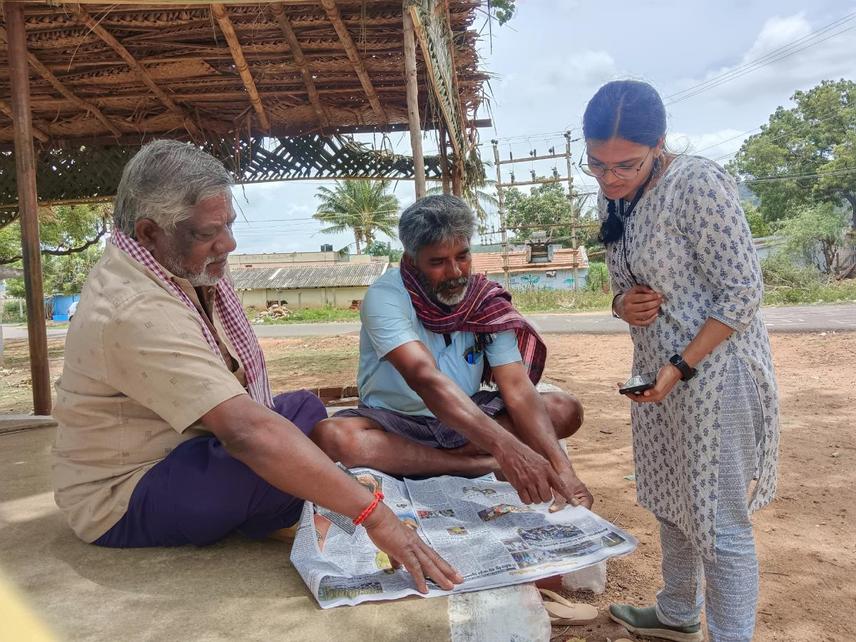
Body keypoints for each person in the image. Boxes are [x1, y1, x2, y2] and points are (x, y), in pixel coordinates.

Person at [51, 140, 461, 594]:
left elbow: (251, 411)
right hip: (123, 496)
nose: (229, 243)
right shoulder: (133, 307)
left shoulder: (179, 269)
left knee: (302, 411)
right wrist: (375, 516)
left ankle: (273, 498)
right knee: (270, 457)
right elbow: (245, 431)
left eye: (228, 224)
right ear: (150, 233)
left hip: (190, 448)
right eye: (209, 233)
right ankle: (275, 500)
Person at [581, 80, 779, 641]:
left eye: (625, 165)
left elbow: (742, 292)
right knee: (671, 498)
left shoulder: (697, 185)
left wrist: (681, 366)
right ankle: (676, 613)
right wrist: (624, 303)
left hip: (715, 374)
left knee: (718, 521)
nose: (610, 178)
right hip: (656, 371)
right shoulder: (615, 195)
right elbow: (621, 283)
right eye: (596, 164)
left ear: (660, 143)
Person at [311, 195, 593, 509]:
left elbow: (515, 385)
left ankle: (429, 463)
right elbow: (424, 378)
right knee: (333, 438)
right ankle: (477, 466)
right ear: (412, 259)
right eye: (437, 262)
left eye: (463, 256)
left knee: (564, 409)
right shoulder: (386, 296)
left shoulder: (485, 300)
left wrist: (563, 469)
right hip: (397, 423)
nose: (455, 272)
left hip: (469, 419)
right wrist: (506, 450)